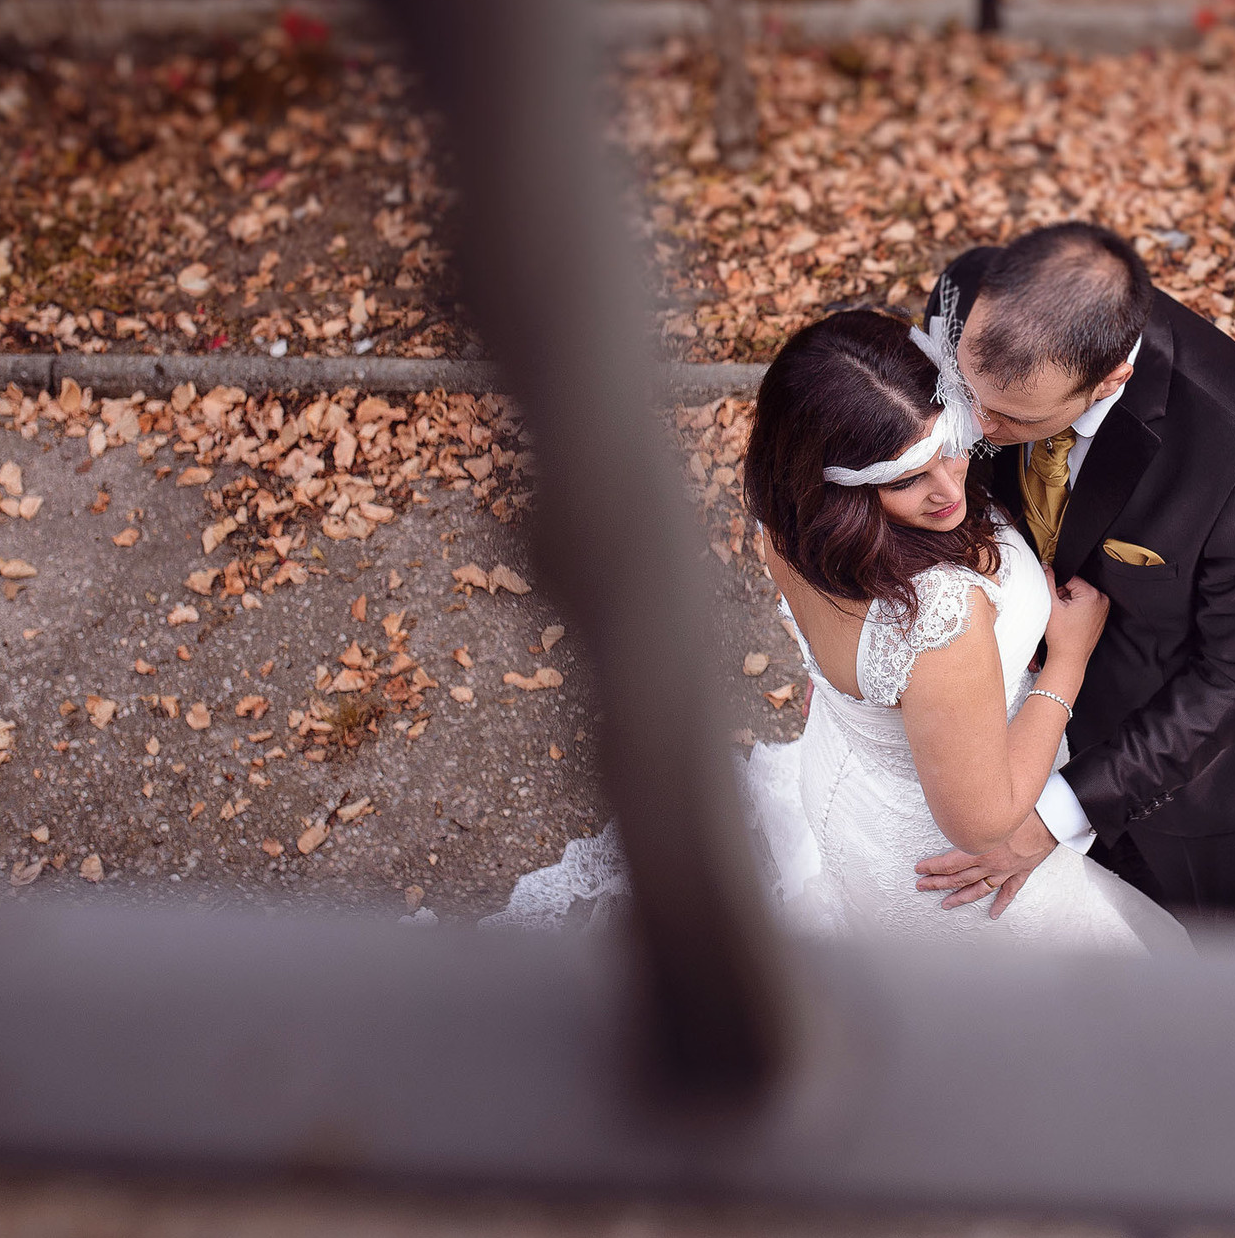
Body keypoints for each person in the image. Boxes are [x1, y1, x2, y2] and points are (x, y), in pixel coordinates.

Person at [493, 308, 1186, 955]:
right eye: (906, 479)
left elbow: (853, 661)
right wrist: (1067, 661)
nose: (949, 490)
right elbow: (984, 824)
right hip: (958, 877)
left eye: (952, 447)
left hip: (854, 784)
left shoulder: (791, 525)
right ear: (840, 486)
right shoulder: (941, 613)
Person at [913, 222, 1235, 932]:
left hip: (1196, 772)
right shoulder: (963, 294)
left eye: (1011, 417)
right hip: (1022, 719)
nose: (971, 427)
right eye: (964, 391)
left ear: (1111, 380)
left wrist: (1055, 815)